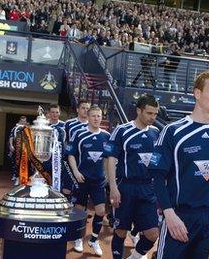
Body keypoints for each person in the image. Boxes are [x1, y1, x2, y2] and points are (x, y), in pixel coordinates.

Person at [152, 70, 209, 258]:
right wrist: (169, 215)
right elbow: (157, 177)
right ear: (197, 93)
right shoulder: (172, 131)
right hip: (180, 218)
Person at [105, 94, 160, 259]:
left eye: (155, 114)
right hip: (126, 187)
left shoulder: (157, 132)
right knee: (121, 231)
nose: (153, 117)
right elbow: (111, 159)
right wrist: (113, 187)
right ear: (139, 110)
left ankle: (135, 257)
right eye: (149, 113)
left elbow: (157, 161)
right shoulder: (122, 131)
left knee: (152, 234)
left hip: (148, 189)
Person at [66, 106, 110, 256]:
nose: (97, 118)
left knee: (101, 211)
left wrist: (107, 176)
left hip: (98, 181)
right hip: (82, 179)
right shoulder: (79, 134)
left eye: (99, 116)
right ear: (88, 117)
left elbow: (108, 159)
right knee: (79, 211)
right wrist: (76, 172)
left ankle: (94, 240)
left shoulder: (106, 136)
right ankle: (78, 238)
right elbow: (71, 155)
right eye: (94, 116)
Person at [8, 116, 28, 185]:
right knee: (16, 163)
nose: (23, 122)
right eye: (22, 121)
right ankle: (16, 176)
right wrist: (11, 145)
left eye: (24, 121)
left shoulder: (27, 129)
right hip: (17, 148)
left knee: (24, 163)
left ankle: (23, 177)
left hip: (25, 150)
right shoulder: (15, 128)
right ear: (19, 121)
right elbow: (11, 137)